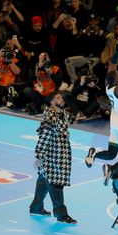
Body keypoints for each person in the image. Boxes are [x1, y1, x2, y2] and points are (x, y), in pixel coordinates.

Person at [85, 35, 118, 186]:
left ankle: (94, 154)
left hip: (114, 123)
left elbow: (112, 64)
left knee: (111, 153)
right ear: (116, 79)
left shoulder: (108, 85)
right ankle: (111, 169)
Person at [29, 91, 77, 224]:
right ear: (51, 101)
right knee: (56, 183)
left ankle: (36, 207)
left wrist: (68, 103)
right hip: (52, 155)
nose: (61, 99)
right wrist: (39, 156)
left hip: (61, 154)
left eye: (61, 97)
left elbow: (73, 119)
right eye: (57, 98)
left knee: (44, 179)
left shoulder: (62, 113)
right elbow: (44, 137)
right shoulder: (50, 116)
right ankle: (61, 214)